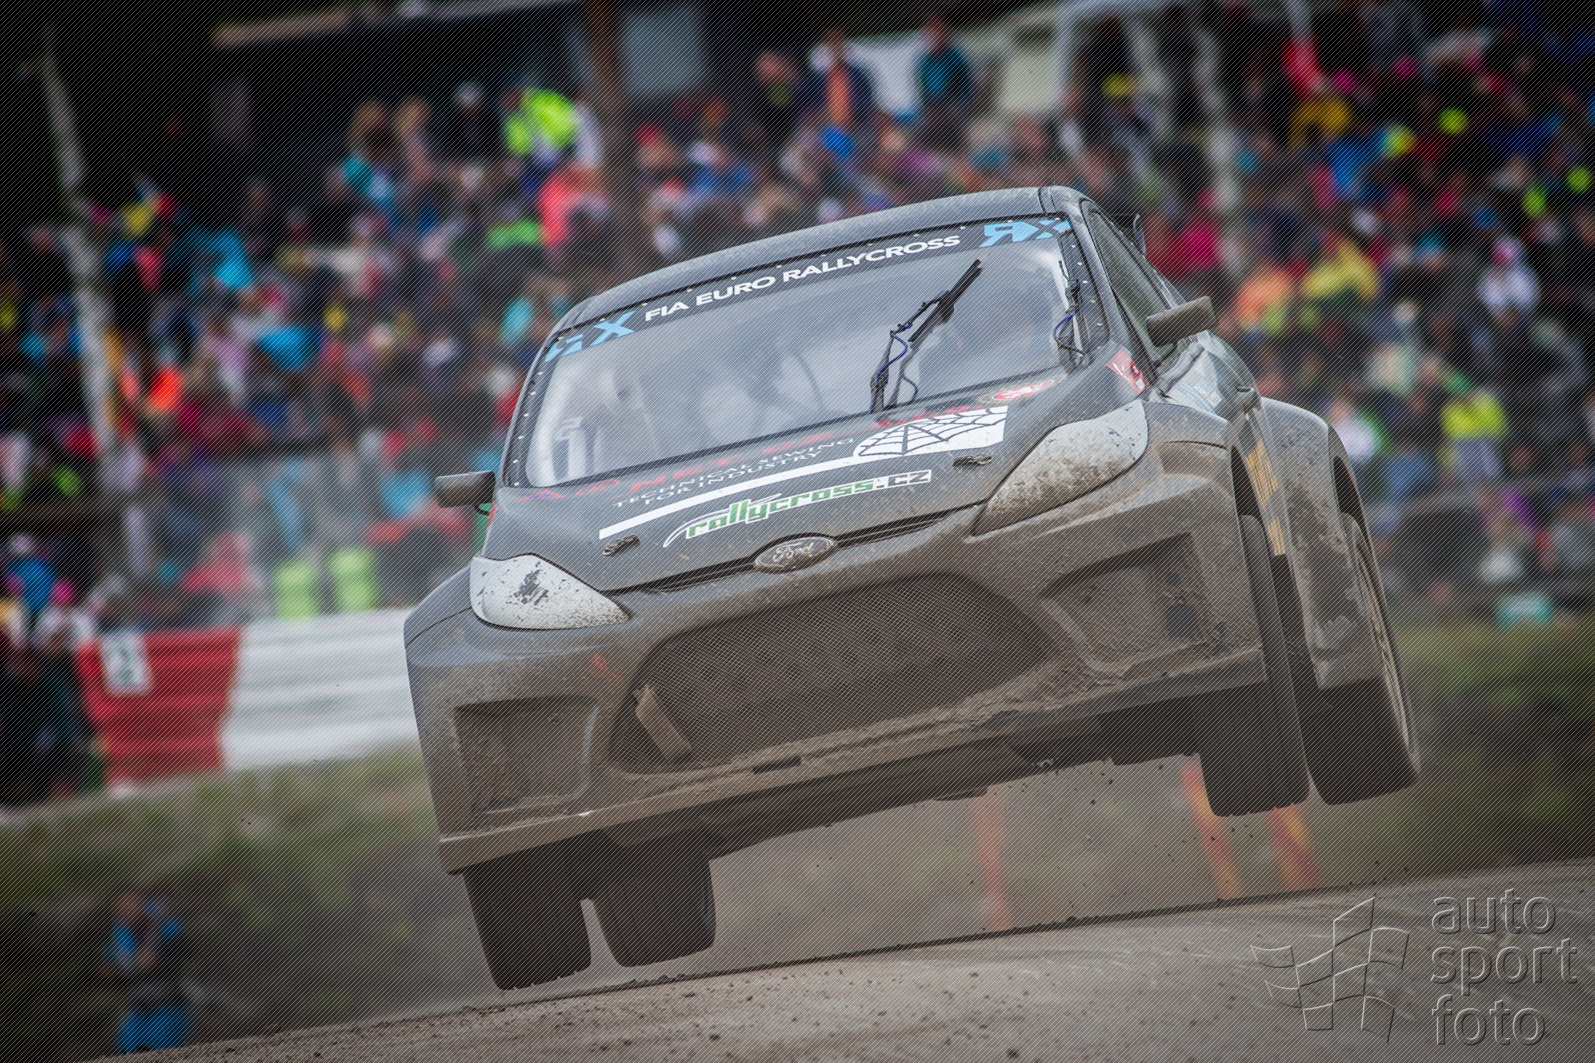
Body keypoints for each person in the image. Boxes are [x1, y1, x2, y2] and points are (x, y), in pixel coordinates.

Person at [102, 891, 192, 1052]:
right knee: (127, 1045)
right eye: (122, 910)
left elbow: (186, 950)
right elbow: (113, 965)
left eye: (130, 906)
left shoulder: (167, 926)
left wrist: (158, 955)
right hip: (139, 1006)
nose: (127, 913)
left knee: (161, 1047)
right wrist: (110, 972)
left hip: (169, 1004)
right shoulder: (120, 936)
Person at [915, 11, 974, 152]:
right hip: (931, 110)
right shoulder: (925, 61)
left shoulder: (957, 58)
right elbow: (922, 90)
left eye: (937, 31)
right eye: (930, 32)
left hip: (953, 110)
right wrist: (929, 110)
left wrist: (948, 111)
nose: (933, 35)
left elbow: (966, 92)